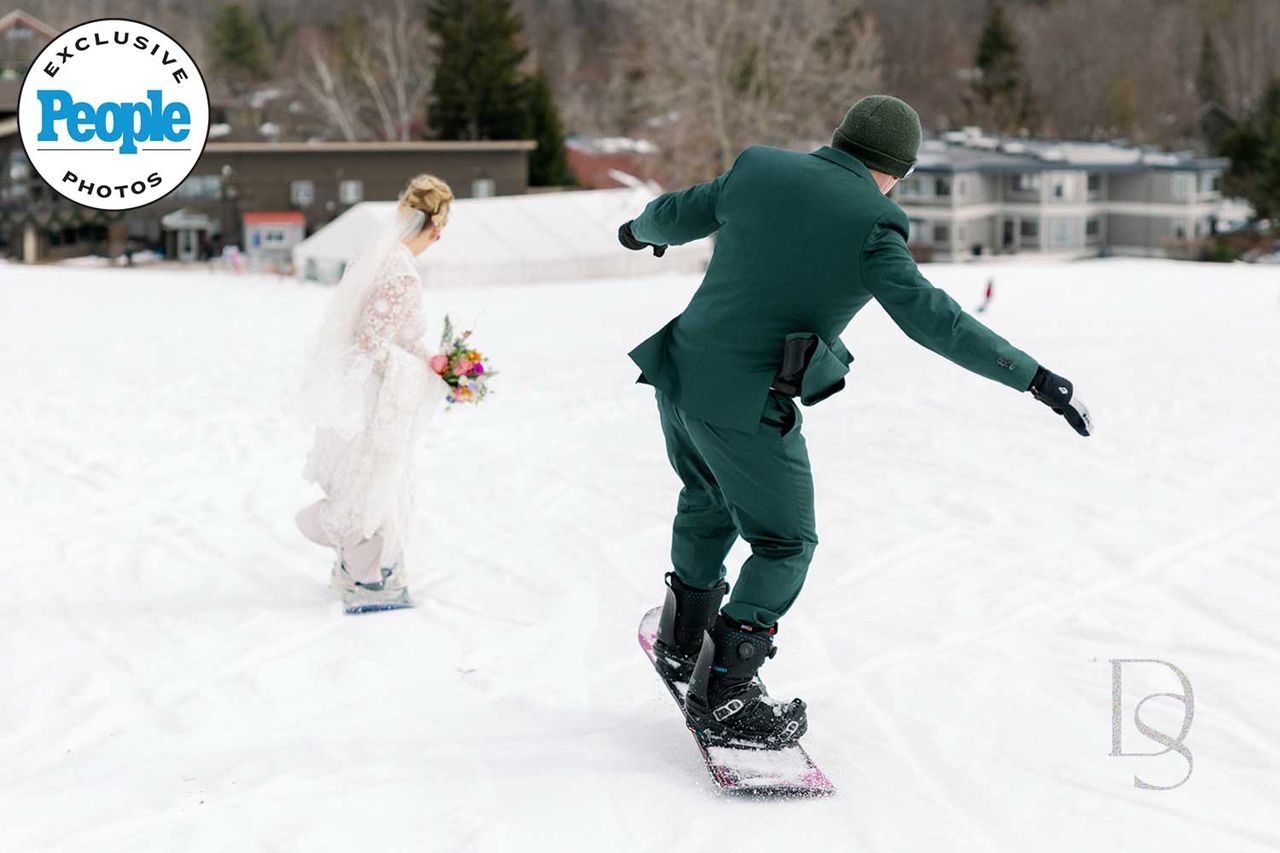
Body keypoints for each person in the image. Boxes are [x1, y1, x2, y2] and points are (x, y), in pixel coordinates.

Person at [618, 95, 1091, 748]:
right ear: (900, 170)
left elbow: (676, 212)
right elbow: (938, 321)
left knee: (708, 496)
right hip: (743, 404)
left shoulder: (760, 168)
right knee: (786, 542)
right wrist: (1033, 377)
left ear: (840, 138)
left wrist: (638, 230)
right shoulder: (874, 224)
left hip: (679, 371)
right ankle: (724, 695)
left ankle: (682, 636)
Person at [295, 174, 454, 614]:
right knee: (372, 483)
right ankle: (364, 577)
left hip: (372, 391)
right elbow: (371, 345)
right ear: (432, 227)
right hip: (377, 399)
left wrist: (435, 362)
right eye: (441, 228)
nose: (439, 237)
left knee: (371, 482)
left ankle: (357, 567)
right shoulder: (400, 274)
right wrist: (417, 370)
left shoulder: (385, 259)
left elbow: (394, 339)